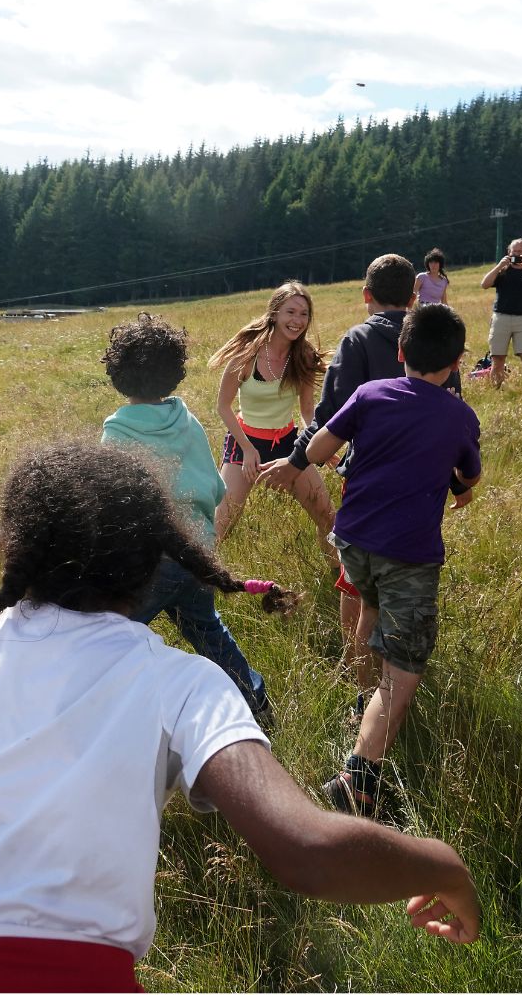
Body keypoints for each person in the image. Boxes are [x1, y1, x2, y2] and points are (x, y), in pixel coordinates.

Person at [0, 441, 478, 992]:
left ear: (14, 550)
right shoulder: (182, 681)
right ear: (152, 564)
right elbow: (307, 850)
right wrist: (440, 860)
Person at [312, 304, 482, 821]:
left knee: (368, 610)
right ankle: (359, 777)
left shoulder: (368, 394)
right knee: (404, 668)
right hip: (409, 553)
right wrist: (453, 480)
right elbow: (469, 476)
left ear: (401, 352)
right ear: (456, 364)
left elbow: (321, 446)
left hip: (353, 540)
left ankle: (362, 708)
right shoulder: (458, 414)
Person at [258, 254, 446, 701]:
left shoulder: (358, 339)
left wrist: (296, 461)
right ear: (414, 296)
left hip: (368, 482)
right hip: (425, 484)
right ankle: (399, 667)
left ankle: (360, 677)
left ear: (366, 296)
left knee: (356, 580)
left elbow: (327, 417)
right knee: (404, 571)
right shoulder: (433, 339)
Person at [102, 312, 293, 723]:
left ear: (119, 374)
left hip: (151, 564)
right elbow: (214, 487)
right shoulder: (186, 422)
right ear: (173, 371)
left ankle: (110, 715)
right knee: (208, 630)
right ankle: (256, 703)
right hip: (197, 553)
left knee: (106, 635)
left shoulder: (117, 434)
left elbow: (112, 509)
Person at [208, 282, 334, 567]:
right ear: (275, 313)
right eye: (290, 311)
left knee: (328, 516)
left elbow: (306, 409)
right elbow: (223, 406)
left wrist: (319, 441)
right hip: (245, 444)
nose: (297, 320)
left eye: (304, 314)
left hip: (288, 445)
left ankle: (339, 579)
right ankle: (196, 589)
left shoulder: (303, 357)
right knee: (218, 527)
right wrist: (248, 448)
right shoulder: (246, 354)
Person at [475, 237, 522, 391]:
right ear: (508, 253)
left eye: (521, 252)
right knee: (498, 359)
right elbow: (484, 284)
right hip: (501, 318)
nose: (518, 255)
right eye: (515, 252)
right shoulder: (502, 271)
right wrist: (499, 265)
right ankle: (496, 391)